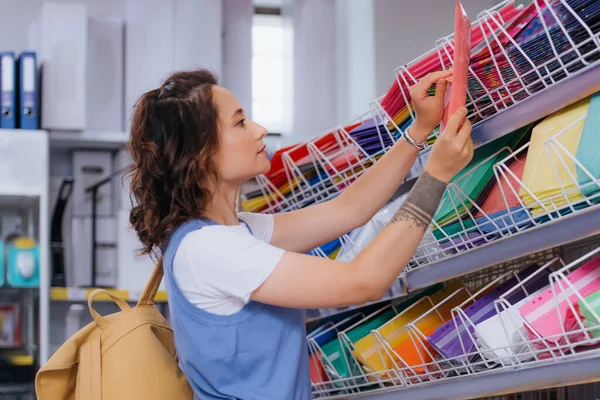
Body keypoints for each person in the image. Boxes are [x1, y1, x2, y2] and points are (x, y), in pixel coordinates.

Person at [127, 68, 473, 399]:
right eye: (240, 122)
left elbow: (348, 210)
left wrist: (417, 131)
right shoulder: (208, 248)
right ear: (200, 152)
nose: (260, 130)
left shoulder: (237, 232)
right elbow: (363, 281)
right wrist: (436, 176)